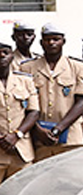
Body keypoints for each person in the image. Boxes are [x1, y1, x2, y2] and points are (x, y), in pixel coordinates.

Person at [0, 37, 39, 190]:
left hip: (22, 150)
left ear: (12, 55)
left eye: (5, 52)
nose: (1, 56)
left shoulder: (25, 81)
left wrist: (16, 135)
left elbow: (33, 112)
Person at [21, 23, 83, 162]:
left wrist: (58, 129)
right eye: (47, 39)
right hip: (39, 140)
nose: (51, 43)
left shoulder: (77, 67)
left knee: (70, 180)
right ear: (41, 42)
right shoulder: (27, 68)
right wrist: (37, 129)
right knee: (43, 181)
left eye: (56, 39)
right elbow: (22, 104)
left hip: (70, 138)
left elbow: (81, 102)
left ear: (63, 41)